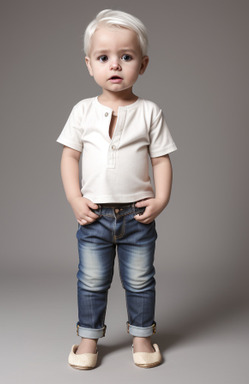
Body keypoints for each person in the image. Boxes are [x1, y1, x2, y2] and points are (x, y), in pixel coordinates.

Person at [57, 9, 177, 369]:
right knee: (91, 280)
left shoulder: (150, 112)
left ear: (142, 64)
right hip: (93, 215)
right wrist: (75, 198)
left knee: (140, 279)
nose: (115, 65)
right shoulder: (82, 111)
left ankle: (142, 336)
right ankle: (88, 340)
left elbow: (161, 160)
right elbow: (69, 157)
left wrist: (162, 198)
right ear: (89, 64)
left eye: (126, 57)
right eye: (104, 57)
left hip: (137, 215)